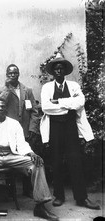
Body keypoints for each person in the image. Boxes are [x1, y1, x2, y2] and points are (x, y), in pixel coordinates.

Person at [0, 98, 59, 221]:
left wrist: (31, 153)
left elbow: (21, 143)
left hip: (13, 155)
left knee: (37, 163)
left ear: (6, 109)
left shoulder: (14, 123)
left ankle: (40, 206)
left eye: (3, 107)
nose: (0, 109)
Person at [40, 53, 100, 210]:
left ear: (65, 71)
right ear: (52, 72)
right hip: (55, 128)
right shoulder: (47, 88)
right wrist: (68, 106)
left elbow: (80, 102)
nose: (59, 71)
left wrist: (59, 103)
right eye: (56, 69)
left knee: (76, 161)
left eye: (61, 68)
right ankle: (59, 196)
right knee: (56, 162)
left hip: (70, 128)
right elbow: (46, 107)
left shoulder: (74, 86)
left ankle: (82, 198)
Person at [0, 64, 40, 197]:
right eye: (10, 73)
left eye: (15, 73)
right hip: (10, 132)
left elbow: (34, 111)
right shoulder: (1, 90)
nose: (12, 75)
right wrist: (8, 88)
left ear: (18, 74)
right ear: (6, 75)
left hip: (26, 130)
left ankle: (28, 189)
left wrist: (33, 128)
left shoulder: (27, 90)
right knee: (12, 159)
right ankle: (11, 191)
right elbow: (0, 104)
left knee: (27, 159)